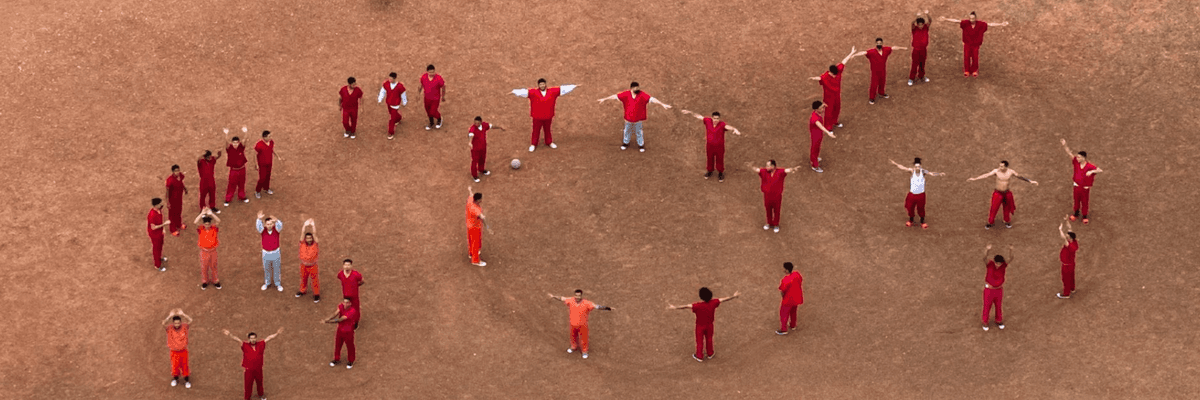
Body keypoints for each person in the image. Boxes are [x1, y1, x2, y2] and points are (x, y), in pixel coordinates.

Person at [668, 288, 740, 362]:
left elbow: (686, 306)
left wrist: (675, 307)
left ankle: (699, 356)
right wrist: (733, 296)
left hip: (700, 326)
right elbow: (724, 299)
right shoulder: (714, 302)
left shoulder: (697, 306)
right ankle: (710, 353)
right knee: (709, 339)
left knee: (699, 341)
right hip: (710, 325)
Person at [597, 82, 672, 152]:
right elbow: (615, 96)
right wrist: (604, 99)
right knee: (627, 131)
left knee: (639, 131)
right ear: (631, 88)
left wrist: (662, 104)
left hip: (638, 118)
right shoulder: (626, 94)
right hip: (628, 118)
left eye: (638, 88)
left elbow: (652, 99)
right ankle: (625, 143)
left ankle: (641, 145)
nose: (637, 90)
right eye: (635, 88)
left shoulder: (642, 94)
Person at [512, 79, 579, 152]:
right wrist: (514, 91)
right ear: (538, 85)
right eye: (540, 84)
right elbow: (523, 92)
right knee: (535, 131)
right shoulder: (533, 92)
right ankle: (533, 144)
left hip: (548, 116)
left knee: (548, 130)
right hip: (537, 117)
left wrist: (573, 86)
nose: (542, 85)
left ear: (545, 84)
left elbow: (563, 89)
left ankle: (549, 142)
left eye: (543, 84)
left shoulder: (552, 91)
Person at [968, 161, 1038, 229]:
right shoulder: (996, 171)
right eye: (1000, 166)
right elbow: (986, 175)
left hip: (1006, 193)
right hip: (998, 193)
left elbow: (1020, 177)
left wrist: (1030, 181)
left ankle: (1007, 221)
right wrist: (975, 179)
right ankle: (990, 222)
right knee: (994, 208)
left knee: (1007, 208)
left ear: (1006, 167)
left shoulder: (1011, 172)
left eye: (1001, 166)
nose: (1000, 167)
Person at [809, 47, 865, 130]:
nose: (835, 75)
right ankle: (828, 127)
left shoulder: (838, 70)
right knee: (828, 112)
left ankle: (835, 122)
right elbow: (819, 78)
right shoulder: (825, 77)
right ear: (830, 72)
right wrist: (813, 78)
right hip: (828, 98)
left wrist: (851, 52)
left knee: (837, 109)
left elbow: (844, 61)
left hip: (837, 95)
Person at [548, 290, 614, 359]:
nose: (577, 297)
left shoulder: (587, 303)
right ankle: (573, 347)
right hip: (572, 324)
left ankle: (584, 351)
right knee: (573, 336)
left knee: (584, 338)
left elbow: (596, 306)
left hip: (583, 325)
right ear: (574, 295)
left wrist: (608, 308)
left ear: (581, 296)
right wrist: (553, 297)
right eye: (576, 295)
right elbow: (562, 298)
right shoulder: (570, 300)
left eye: (579, 295)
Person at [680, 110, 743, 182]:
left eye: (717, 119)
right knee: (710, 158)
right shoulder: (707, 121)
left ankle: (720, 173)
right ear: (712, 118)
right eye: (714, 118)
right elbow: (699, 116)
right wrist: (690, 112)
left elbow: (728, 127)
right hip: (709, 146)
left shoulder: (722, 124)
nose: (716, 120)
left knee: (720, 159)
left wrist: (734, 129)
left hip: (720, 147)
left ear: (719, 119)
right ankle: (710, 171)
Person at [939, 12, 1009, 77]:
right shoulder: (965, 23)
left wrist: (1001, 24)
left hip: (976, 44)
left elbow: (990, 24)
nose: (971, 20)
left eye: (973, 18)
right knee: (966, 56)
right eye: (970, 18)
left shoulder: (980, 24)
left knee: (975, 57)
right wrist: (946, 19)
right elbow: (956, 21)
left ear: (975, 18)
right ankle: (967, 70)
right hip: (967, 44)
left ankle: (975, 70)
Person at [223, 327, 283, 400]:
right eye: (251, 338)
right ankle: (247, 398)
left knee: (260, 383)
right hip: (249, 370)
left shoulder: (260, 344)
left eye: (254, 338)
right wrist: (230, 334)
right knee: (248, 385)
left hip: (258, 369)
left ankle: (261, 396)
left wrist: (277, 333)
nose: (253, 340)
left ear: (256, 338)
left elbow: (269, 338)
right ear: (249, 339)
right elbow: (237, 339)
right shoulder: (245, 345)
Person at [747, 160, 803, 233]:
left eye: (768, 165)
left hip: (777, 196)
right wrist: (751, 166)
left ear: (773, 166)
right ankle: (768, 223)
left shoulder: (780, 172)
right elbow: (757, 169)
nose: (766, 167)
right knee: (768, 209)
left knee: (777, 210)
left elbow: (787, 170)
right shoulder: (764, 171)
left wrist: (793, 169)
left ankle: (776, 224)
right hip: (767, 195)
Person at [890, 158, 946, 228]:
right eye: (916, 166)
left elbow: (932, 173)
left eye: (919, 166)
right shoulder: (911, 171)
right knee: (909, 207)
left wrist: (939, 174)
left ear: (920, 166)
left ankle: (922, 222)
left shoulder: (923, 172)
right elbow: (903, 168)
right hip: (912, 194)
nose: (917, 168)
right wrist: (895, 164)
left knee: (921, 208)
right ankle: (911, 220)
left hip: (921, 194)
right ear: (914, 167)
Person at [1061, 139, 1103, 224]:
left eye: (1079, 157)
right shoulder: (1076, 162)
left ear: (1084, 158)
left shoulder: (1090, 166)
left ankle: (1084, 216)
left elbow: (1100, 170)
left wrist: (1091, 171)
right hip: (1076, 186)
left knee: (1084, 202)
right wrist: (1065, 145)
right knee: (1076, 201)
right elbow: (1069, 154)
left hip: (1085, 188)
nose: (1077, 158)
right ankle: (1076, 214)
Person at [865, 38, 908, 104]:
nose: (879, 44)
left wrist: (902, 48)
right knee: (874, 84)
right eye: (878, 43)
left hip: (883, 70)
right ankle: (872, 98)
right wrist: (853, 55)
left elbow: (894, 48)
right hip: (875, 72)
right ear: (876, 44)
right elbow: (864, 52)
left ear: (882, 43)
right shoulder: (871, 52)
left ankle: (881, 93)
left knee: (882, 82)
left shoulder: (886, 50)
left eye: (880, 43)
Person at [980, 244, 1013, 331]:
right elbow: (984, 258)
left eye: (1000, 263)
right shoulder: (990, 264)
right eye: (997, 263)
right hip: (989, 290)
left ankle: (999, 320)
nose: (998, 265)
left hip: (999, 290)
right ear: (994, 261)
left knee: (998, 306)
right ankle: (985, 322)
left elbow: (1011, 259)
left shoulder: (1003, 266)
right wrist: (987, 250)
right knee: (987, 306)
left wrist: (1011, 250)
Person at [324, 298, 360, 369]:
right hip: (340, 330)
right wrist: (327, 318)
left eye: (347, 303)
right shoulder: (341, 306)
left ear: (350, 304)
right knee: (337, 344)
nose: (345, 304)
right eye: (344, 302)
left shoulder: (352, 311)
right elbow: (335, 313)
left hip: (348, 332)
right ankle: (336, 359)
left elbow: (340, 319)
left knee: (350, 346)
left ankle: (350, 361)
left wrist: (327, 321)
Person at [468, 116, 506, 182]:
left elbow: (492, 126)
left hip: (483, 147)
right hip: (475, 149)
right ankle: (474, 176)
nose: (476, 124)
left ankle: (481, 170)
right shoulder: (473, 128)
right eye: (475, 123)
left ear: (480, 122)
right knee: (474, 162)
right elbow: (471, 135)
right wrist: (470, 142)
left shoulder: (484, 125)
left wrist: (500, 127)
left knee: (482, 159)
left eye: (477, 123)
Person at [162, 308, 193, 388]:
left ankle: (187, 381)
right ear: (173, 323)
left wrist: (183, 315)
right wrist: (169, 316)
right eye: (175, 323)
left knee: (185, 366)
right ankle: (175, 379)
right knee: (175, 367)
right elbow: (163, 323)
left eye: (178, 323)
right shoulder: (169, 328)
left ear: (180, 322)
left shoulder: (185, 326)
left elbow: (190, 320)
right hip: (174, 352)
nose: (177, 325)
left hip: (183, 351)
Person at [193, 208, 222, 290]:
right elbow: (195, 222)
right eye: (205, 224)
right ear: (203, 224)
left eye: (208, 224)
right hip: (204, 251)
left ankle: (215, 281)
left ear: (210, 224)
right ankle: (204, 281)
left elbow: (218, 221)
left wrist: (211, 214)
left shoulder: (214, 228)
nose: (207, 226)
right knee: (204, 267)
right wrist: (201, 213)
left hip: (213, 251)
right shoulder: (201, 229)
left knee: (214, 266)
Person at [807, 101, 838, 172]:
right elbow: (821, 126)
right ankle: (814, 165)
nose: (823, 109)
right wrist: (828, 132)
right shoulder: (814, 118)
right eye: (821, 108)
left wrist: (824, 105)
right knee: (814, 148)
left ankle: (814, 158)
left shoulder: (817, 112)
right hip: (815, 135)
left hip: (819, 134)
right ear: (816, 109)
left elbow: (823, 105)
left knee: (817, 147)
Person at [256, 211, 283, 291]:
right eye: (267, 224)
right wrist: (258, 219)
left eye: (271, 224)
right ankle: (267, 283)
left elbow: (280, 225)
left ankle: (277, 283)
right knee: (266, 268)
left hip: (276, 252)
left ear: (273, 224)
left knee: (276, 268)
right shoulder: (262, 230)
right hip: (266, 253)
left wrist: (277, 220)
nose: (269, 225)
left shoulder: (277, 229)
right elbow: (258, 226)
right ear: (265, 225)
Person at [465, 186, 492, 266]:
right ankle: (475, 260)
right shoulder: (475, 209)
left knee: (471, 241)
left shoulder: (470, 200)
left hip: (469, 225)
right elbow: (482, 217)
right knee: (475, 243)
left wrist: (470, 190)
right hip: (475, 227)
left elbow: (471, 194)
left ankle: (471, 253)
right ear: (478, 200)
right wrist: (488, 227)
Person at [377, 73, 408, 139]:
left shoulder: (400, 86)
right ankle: (398, 118)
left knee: (391, 119)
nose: (389, 80)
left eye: (391, 79)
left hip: (395, 105)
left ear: (395, 78)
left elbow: (403, 94)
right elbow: (382, 91)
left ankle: (390, 132)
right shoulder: (386, 84)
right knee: (392, 114)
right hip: (388, 103)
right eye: (389, 78)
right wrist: (380, 99)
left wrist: (404, 102)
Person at [776, 262, 804, 335]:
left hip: (788, 300)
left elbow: (782, 290)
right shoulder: (797, 274)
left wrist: (783, 297)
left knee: (784, 314)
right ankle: (793, 325)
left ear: (787, 270)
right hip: (797, 298)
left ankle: (784, 330)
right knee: (793, 312)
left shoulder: (785, 280)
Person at [296, 218, 320, 303]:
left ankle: (316, 294)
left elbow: (315, 233)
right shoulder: (302, 243)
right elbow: (302, 233)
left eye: (310, 238)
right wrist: (304, 225)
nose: (309, 239)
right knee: (303, 279)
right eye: (307, 238)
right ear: (305, 239)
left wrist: (313, 225)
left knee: (315, 280)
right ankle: (302, 291)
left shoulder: (315, 244)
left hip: (313, 266)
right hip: (304, 265)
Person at [253, 131, 283, 198]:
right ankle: (257, 191)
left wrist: (277, 156)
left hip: (269, 163)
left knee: (268, 176)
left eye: (270, 136)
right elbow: (255, 154)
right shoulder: (259, 144)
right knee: (262, 178)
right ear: (264, 137)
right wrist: (256, 164)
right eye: (269, 136)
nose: (270, 137)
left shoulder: (271, 142)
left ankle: (266, 188)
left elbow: (272, 149)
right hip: (262, 164)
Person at [337, 259, 364, 327]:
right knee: (346, 308)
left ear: (351, 266)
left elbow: (362, 281)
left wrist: (356, 286)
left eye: (348, 265)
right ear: (343, 266)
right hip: (345, 296)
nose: (347, 266)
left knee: (356, 309)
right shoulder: (341, 274)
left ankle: (355, 322)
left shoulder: (356, 274)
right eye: (345, 265)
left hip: (354, 295)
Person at [224, 134, 250, 206]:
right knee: (231, 184)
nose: (235, 144)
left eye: (237, 143)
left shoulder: (241, 147)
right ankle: (228, 199)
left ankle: (242, 196)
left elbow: (245, 141)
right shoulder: (229, 149)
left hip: (242, 169)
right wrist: (226, 135)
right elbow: (226, 143)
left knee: (242, 183)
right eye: (234, 143)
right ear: (231, 143)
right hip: (233, 170)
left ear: (239, 143)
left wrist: (245, 133)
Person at [418, 64, 446, 130]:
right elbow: (421, 85)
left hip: (435, 99)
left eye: (433, 72)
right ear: (427, 72)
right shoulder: (423, 77)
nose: (432, 73)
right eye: (430, 72)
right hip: (427, 98)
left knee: (433, 111)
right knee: (428, 111)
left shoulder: (439, 78)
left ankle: (439, 119)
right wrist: (418, 93)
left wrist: (443, 96)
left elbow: (443, 87)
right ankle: (431, 123)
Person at [909, 10, 932, 86]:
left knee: (922, 64)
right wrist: (917, 17)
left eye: (922, 24)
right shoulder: (914, 29)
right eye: (919, 25)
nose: (921, 26)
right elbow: (912, 23)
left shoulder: (926, 27)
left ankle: (921, 76)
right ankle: (911, 78)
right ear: (917, 24)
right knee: (914, 65)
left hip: (923, 50)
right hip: (916, 50)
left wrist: (927, 14)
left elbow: (930, 20)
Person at [1057, 217, 1079, 299]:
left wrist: (1060, 230)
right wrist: (1066, 221)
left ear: (1069, 237)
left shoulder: (1069, 245)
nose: (1066, 235)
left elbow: (1063, 238)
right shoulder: (1074, 242)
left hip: (1066, 265)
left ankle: (1066, 294)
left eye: (1067, 235)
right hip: (1072, 264)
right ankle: (1072, 288)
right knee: (1071, 277)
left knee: (1065, 279)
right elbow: (1070, 228)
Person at [164, 165, 188, 236]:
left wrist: (185, 189)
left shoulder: (180, 176)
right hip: (172, 200)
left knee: (179, 211)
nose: (177, 172)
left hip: (179, 198)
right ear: (173, 172)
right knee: (172, 215)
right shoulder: (170, 180)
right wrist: (168, 202)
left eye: (178, 170)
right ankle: (173, 229)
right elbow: (167, 192)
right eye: (175, 171)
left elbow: (181, 183)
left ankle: (179, 224)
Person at [196, 149, 223, 213]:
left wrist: (219, 154)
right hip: (203, 182)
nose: (210, 158)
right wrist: (202, 154)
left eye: (210, 156)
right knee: (203, 195)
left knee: (212, 194)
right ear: (205, 157)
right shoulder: (201, 161)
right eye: (208, 157)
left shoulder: (212, 160)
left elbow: (217, 157)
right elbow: (198, 159)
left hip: (211, 180)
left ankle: (212, 207)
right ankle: (203, 208)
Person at [147, 198, 169, 271]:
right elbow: (153, 227)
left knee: (160, 246)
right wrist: (164, 224)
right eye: (160, 203)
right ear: (156, 205)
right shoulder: (152, 215)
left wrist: (163, 229)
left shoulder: (159, 209)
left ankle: (159, 258)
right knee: (156, 249)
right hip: (155, 234)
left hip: (159, 232)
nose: (162, 204)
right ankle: (157, 265)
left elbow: (161, 218)